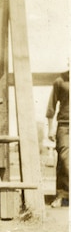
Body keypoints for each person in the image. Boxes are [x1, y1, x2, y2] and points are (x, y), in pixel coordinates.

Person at [46, 70, 69, 208]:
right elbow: (51, 107)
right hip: (64, 125)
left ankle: (63, 195)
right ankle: (62, 195)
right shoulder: (60, 81)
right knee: (65, 159)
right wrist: (50, 128)